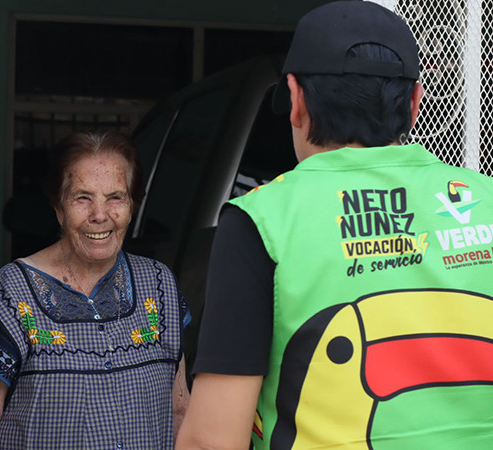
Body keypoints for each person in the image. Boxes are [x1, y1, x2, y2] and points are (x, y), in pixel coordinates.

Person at [178, 2, 493, 449]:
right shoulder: (487, 202)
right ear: (415, 103)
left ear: (296, 99)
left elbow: (212, 440)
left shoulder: (262, 220)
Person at [0, 130, 191, 449]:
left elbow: (179, 407)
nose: (100, 215)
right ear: (58, 206)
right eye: (83, 198)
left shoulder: (158, 284)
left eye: (115, 197)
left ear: (132, 205)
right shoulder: (11, 294)